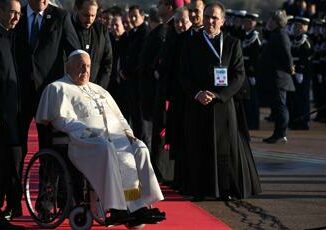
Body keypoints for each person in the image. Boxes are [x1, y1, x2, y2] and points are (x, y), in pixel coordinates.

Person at [35, 50, 166, 227]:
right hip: (83, 142)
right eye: (80, 65)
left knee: (140, 148)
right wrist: (89, 132)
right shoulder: (58, 88)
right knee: (106, 149)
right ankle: (116, 208)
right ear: (68, 66)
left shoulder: (99, 89)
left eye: (88, 66)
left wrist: (129, 134)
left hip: (114, 139)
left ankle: (138, 205)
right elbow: (61, 120)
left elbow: (119, 117)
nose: (85, 69)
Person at [179, 1, 261, 201]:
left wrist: (219, 95)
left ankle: (224, 189)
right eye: (207, 16)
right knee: (199, 146)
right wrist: (197, 93)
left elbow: (239, 75)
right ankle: (199, 189)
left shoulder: (232, 43)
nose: (210, 21)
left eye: (215, 17)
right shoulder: (190, 42)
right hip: (198, 103)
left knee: (224, 149)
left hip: (222, 104)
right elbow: (182, 73)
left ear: (222, 21)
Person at [14, 0, 80, 193]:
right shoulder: (15, 14)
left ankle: (46, 201)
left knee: (49, 148)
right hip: (18, 93)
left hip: (49, 94)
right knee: (15, 149)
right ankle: (13, 198)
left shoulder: (60, 17)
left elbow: (74, 51)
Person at [0, 0, 25, 228]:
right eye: (12, 12)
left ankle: (14, 205)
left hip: (14, 113)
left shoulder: (13, 36)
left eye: (19, 13)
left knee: (14, 160)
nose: (16, 17)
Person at [260, 10, 295, 144]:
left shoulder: (281, 35)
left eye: (271, 20)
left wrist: (290, 67)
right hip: (275, 77)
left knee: (280, 106)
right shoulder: (275, 34)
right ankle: (279, 133)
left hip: (280, 77)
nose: (268, 22)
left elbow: (287, 55)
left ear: (276, 22)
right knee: (278, 106)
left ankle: (280, 133)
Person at [72, 0, 113, 89]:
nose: (89, 20)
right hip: (71, 87)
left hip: (95, 87)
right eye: (86, 15)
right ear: (77, 10)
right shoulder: (69, 28)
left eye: (93, 16)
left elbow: (107, 62)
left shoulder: (101, 31)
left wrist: (99, 87)